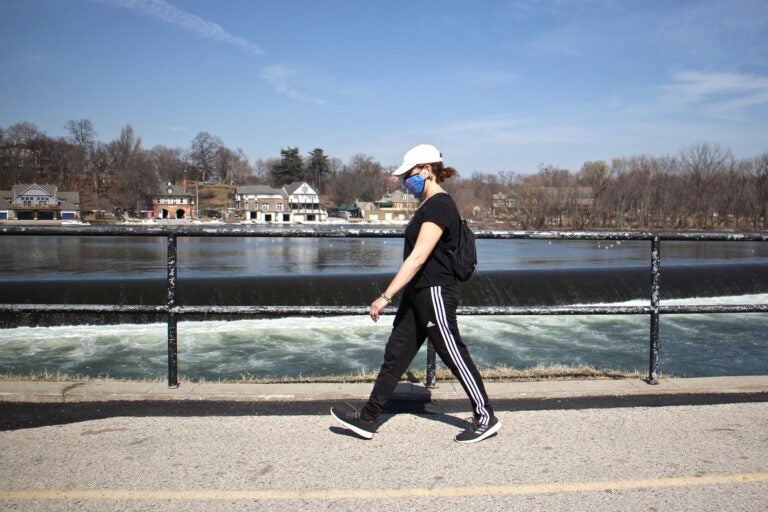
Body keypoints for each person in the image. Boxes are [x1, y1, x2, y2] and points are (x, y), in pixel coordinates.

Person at [331, 144, 501, 444]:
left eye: (408, 175)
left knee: (453, 353)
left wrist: (385, 296)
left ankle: (485, 417)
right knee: (395, 356)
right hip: (418, 293)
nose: (404, 182)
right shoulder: (426, 205)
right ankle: (369, 418)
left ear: (426, 170)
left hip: (435, 291)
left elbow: (419, 257)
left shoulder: (439, 205)